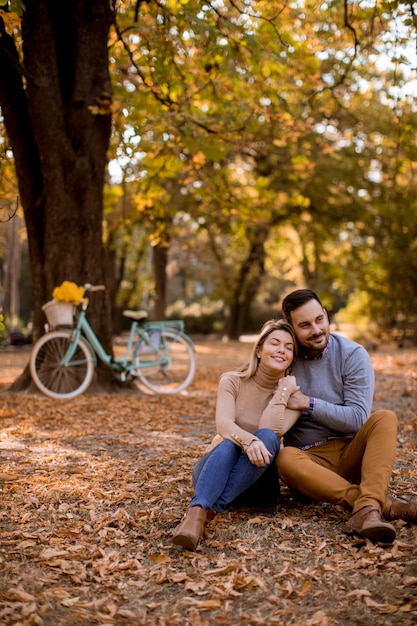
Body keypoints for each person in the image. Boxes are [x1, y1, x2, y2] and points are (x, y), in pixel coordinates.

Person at [276, 288, 417, 544]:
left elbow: (356, 419)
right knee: (284, 456)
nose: (316, 329)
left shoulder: (353, 355)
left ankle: (367, 507)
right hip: (308, 462)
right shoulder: (284, 357)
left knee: (385, 417)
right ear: (291, 328)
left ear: (326, 315)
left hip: (352, 453)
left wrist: (308, 403)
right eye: (305, 325)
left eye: (319, 320)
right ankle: (376, 507)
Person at [172, 319, 301, 550]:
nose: (282, 349)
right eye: (275, 343)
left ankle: (204, 509)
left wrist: (283, 391)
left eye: (289, 347)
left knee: (268, 438)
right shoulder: (232, 381)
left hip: (259, 482)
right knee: (230, 442)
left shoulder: (292, 397)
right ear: (259, 350)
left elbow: (270, 430)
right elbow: (223, 424)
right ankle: (198, 514)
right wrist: (248, 440)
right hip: (214, 473)